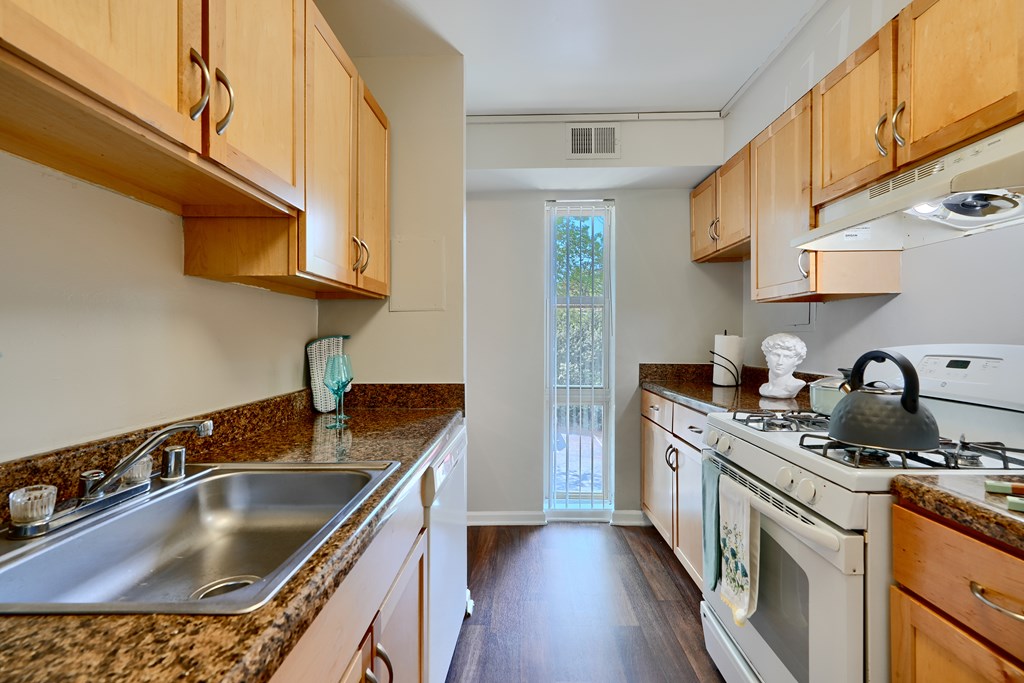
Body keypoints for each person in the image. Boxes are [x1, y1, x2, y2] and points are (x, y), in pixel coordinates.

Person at [759, 333, 807, 398]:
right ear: (767, 357)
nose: (780, 362)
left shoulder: (795, 386)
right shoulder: (764, 388)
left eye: (787, 357)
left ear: (797, 361)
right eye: (776, 355)